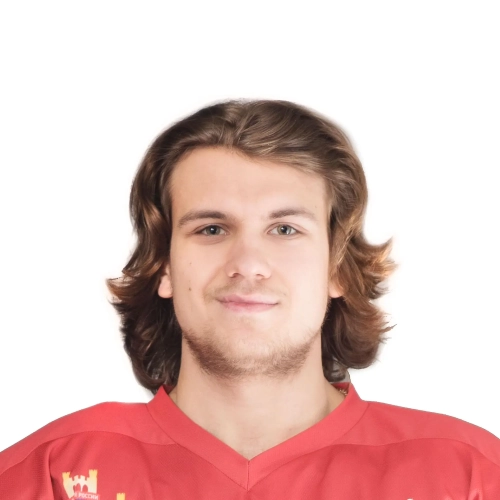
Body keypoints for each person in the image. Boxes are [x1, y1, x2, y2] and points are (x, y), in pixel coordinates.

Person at [0, 99, 499, 499]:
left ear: (336, 268)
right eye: (212, 229)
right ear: (164, 266)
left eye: (285, 229)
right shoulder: (52, 476)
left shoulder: (467, 476)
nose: (248, 263)